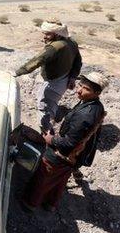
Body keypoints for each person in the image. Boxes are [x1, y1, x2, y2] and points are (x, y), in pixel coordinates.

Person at [21, 72, 108, 213]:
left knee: (42, 175)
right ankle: (50, 204)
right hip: (73, 157)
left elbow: (69, 143)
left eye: (86, 89)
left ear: (97, 92)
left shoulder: (86, 115)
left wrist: (50, 139)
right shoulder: (95, 105)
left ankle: (30, 203)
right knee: (60, 179)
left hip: (63, 155)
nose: (79, 90)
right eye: (80, 85)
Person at [14, 20, 82, 133]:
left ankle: (45, 133)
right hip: (64, 79)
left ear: (57, 34)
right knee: (51, 102)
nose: (44, 37)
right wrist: (72, 77)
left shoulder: (54, 47)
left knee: (44, 107)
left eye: (48, 34)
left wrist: (17, 72)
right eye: (44, 33)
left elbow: (37, 61)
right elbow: (78, 62)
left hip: (54, 83)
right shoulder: (71, 42)